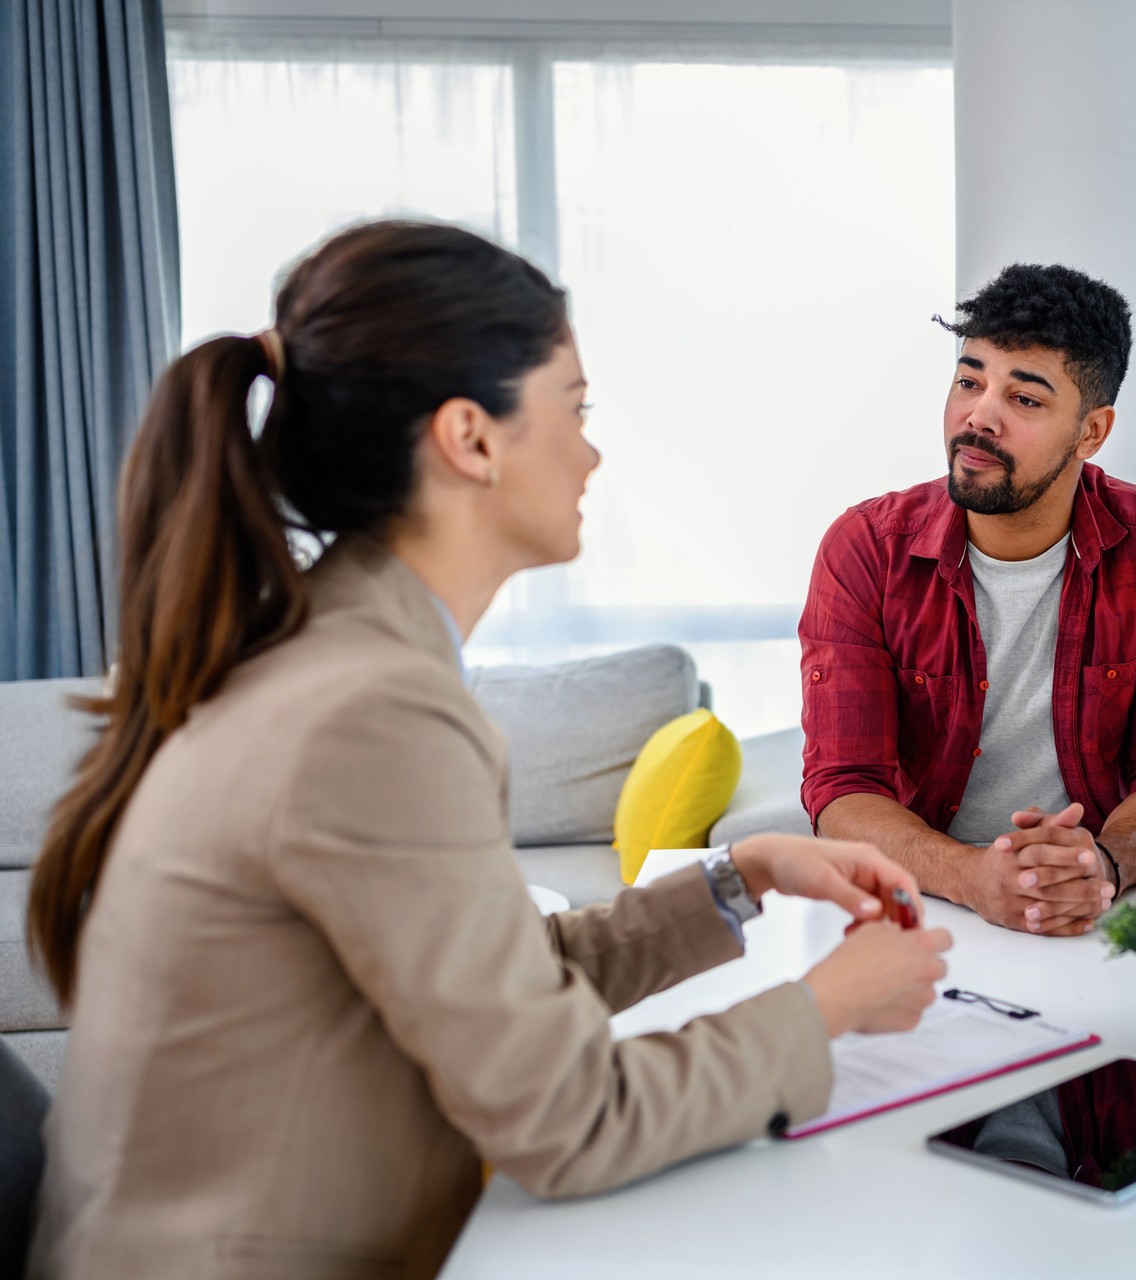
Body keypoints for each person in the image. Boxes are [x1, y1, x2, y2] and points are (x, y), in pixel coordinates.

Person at [25, 220, 953, 1279]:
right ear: (471, 437)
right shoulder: (370, 711)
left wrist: (740, 876)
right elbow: (572, 1119)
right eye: (576, 407)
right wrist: (828, 1003)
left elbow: (505, 978)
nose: (594, 450)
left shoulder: (345, 656)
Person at [800, 263, 1136, 939]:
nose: (979, 416)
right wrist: (973, 877)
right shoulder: (866, 550)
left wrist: (1103, 864)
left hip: (1103, 907)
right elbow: (844, 789)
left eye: (1024, 400)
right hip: (929, 900)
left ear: (1091, 432)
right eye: (970, 381)